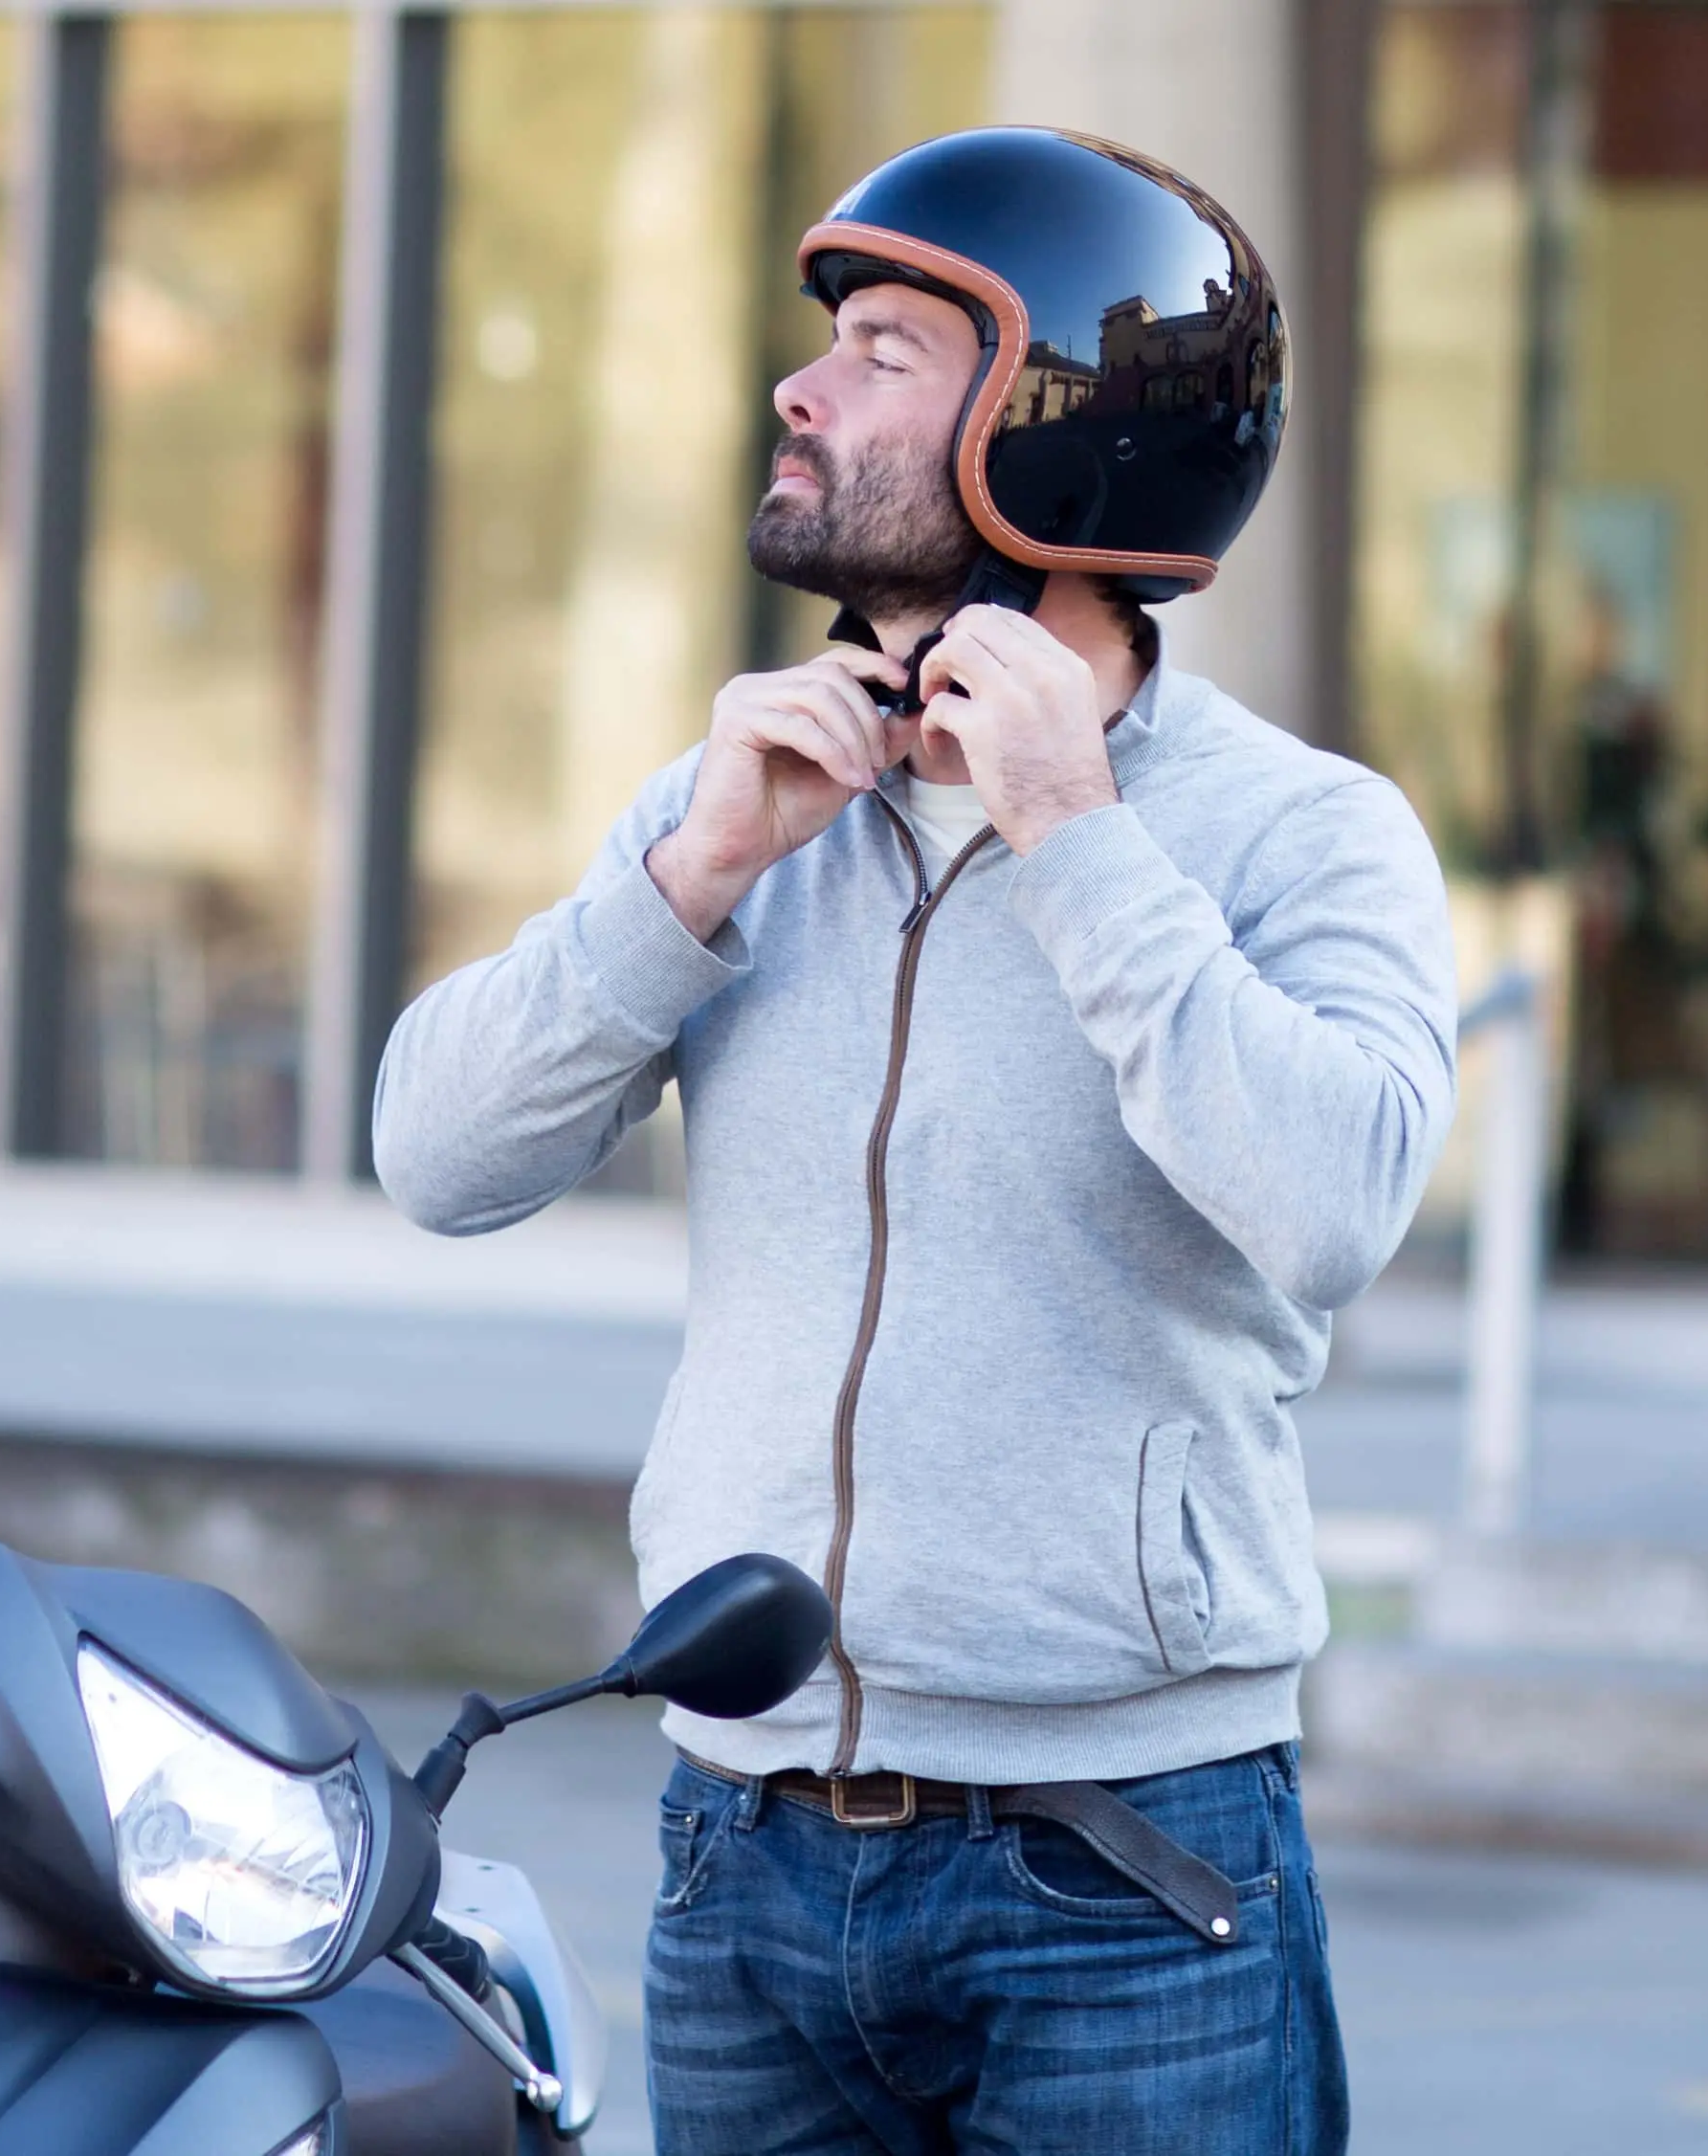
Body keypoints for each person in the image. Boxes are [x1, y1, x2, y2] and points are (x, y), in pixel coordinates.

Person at [373, 127, 1454, 2156]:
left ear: (1060, 430)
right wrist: (685, 877)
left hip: (1126, 1876)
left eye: (880, 347)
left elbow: (1336, 1205)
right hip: (743, 1855)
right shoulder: (745, 804)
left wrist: (1079, 839)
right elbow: (435, 1155)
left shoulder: (1300, 834)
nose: (801, 387)